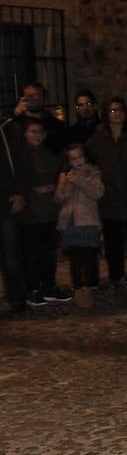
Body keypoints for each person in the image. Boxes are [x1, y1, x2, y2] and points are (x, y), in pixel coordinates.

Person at [86, 98, 127, 293]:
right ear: (106, 114)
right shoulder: (97, 140)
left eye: (119, 110)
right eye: (112, 110)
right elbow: (83, 159)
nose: (116, 114)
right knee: (113, 244)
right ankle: (116, 278)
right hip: (109, 201)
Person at [16, 120, 69, 305]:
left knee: (48, 251)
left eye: (40, 132)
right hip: (30, 211)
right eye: (33, 131)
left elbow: (59, 171)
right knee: (31, 252)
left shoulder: (48, 154)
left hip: (49, 210)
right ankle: (31, 288)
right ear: (25, 134)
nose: (37, 135)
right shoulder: (19, 155)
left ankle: (49, 286)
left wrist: (57, 183)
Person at [55, 142, 104, 308]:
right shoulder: (66, 175)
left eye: (79, 157)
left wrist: (79, 180)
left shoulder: (94, 172)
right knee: (75, 256)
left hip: (88, 220)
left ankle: (88, 286)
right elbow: (59, 198)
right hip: (70, 221)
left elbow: (97, 192)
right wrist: (64, 184)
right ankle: (77, 287)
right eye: (73, 158)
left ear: (85, 156)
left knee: (89, 255)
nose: (77, 161)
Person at [0, 105, 29, 313]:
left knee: (11, 257)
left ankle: (17, 300)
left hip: (6, 202)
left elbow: (22, 164)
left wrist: (21, 192)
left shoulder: (10, 129)